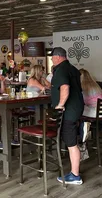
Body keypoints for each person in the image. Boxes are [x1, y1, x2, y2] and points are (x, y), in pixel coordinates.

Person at [51, 47, 84, 185]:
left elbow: (65, 87)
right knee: (71, 140)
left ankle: (75, 175)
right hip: (77, 107)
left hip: (69, 110)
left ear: (57, 57)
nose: (52, 60)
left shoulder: (61, 69)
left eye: (52, 58)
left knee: (71, 143)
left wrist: (60, 104)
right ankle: (74, 172)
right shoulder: (72, 69)